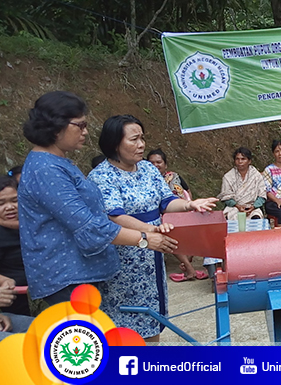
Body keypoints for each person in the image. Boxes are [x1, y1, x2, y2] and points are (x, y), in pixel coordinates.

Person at [18, 91, 177, 308]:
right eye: (80, 125)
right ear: (56, 127)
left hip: (81, 274)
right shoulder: (46, 170)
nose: (85, 132)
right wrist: (145, 238)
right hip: (67, 277)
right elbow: (88, 226)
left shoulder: (57, 162)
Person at [89, 114, 217, 342]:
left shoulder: (148, 169)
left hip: (153, 253)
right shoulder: (102, 176)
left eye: (142, 138)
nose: (141, 145)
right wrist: (150, 229)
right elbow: (115, 216)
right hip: (124, 255)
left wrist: (190, 204)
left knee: (152, 318)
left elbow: (166, 201)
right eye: (134, 139)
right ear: (114, 143)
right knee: (124, 324)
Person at [147, 148, 207, 282]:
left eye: (159, 162)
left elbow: (187, 191)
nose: (156, 165)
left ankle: (190, 260)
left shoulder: (174, 176)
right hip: (162, 216)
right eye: (151, 163)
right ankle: (189, 267)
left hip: (183, 210)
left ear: (165, 164)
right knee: (169, 232)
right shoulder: (145, 181)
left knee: (202, 227)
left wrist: (188, 205)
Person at [0, 176, 30, 316]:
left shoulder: (36, 226)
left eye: (14, 200)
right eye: (1, 203)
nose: (9, 207)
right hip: (11, 301)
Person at [217, 147, 266, 221]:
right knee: (230, 217)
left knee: (256, 218)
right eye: (237, 159)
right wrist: (237, 206)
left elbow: (262, 195)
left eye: (243, 159)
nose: (240, 161)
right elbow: (226, 196)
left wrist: (253, 206)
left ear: (249, 161)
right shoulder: (228, 176)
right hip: (234, 207)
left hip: (252, 208)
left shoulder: (256, 176)